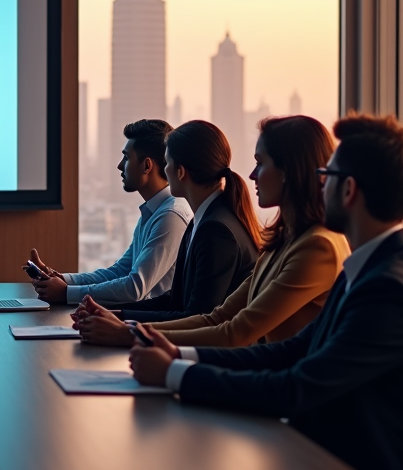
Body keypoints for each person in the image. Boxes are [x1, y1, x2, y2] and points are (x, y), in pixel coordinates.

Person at [122, 113, 403, 470]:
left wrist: (176, 376)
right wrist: (180, 359)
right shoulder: (373, 271)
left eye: (326, 177)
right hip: (309, 465)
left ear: (348, 190)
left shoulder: (387, 290)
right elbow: (288, 351)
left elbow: (296, 387)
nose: (320, 185)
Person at [110, 115, 350, 348]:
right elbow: (217, 317)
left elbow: (236, 332)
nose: (252, 175)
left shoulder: (317, 246)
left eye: (260, 163)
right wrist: (125, 324)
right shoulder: (283, 240)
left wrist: (130, 333)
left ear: (288, 171)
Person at [73, 121, 260, 346]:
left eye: (167, 162)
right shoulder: (201, 221)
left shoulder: (216, 230)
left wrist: (125, 327)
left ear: (180, 172)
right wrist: (114, 314)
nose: (164, 169)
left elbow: (197, 318)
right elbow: (176, 301)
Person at [29, 119, 192, 306]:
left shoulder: (170, 216)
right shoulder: (154, 211)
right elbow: (119, 271)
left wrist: (66, 293)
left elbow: (134, 288)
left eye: (126, 157)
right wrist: (62, 280)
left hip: (150, 326)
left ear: (147, 166)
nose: (120, 165)